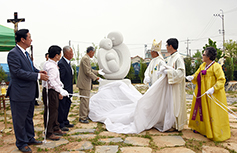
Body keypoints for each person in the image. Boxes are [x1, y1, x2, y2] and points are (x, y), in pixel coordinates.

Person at [7, 29, 48, 153]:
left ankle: (30, 138)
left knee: (28, 118)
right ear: (22, 39)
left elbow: (30, 68)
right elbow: (17, 72)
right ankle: (21, 142)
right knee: (19, 120)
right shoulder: (13, 53)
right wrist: (38, 77)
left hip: (29, 92)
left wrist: (38, 71)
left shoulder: (25, 53)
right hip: (19, 93)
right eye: (29, 37)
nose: (31, 39)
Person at [187, 47, 230, 141]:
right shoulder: (202, 65)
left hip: (212, 94)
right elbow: (196, 74)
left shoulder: (216, 67)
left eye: (204, 54)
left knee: (211, 111)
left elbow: (222, 80)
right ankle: (201, 129)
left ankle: (212, 131)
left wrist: (214, 88)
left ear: (209, 56)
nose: (202, 56)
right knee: (201, 109)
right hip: (202, 92)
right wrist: (192, 77)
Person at [42, 45, 69, 140]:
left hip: (53, 90)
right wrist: (59, 90)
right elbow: (51, 81)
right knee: (51, 112)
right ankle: (49, 132)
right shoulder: (51, 66)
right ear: (57, 55)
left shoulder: (52, 64)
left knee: (55, 110)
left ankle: (55, 127)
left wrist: (61, 87)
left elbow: (57, 80)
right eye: (60, 54)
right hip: (50, 91)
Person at [164, 38, 187, 131]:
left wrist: (169, 73)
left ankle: (177, 125)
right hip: (171, 85)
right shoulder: (171, 58)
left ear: (171, 46)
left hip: (177, 86)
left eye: (167, 45)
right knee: (171, 104)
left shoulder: (178, 58)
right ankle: (171, 124)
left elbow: (181, 73)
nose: (166, 48)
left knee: (176, 104)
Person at [76, 46, 101, 123]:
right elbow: (87, 71)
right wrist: (96, 78)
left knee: (85, 100)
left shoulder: (86, 58)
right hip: (84, 83)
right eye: (93, 53)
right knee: (84, 100)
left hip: (85, 83)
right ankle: (82, 117)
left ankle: (85, 115)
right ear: (90, 52)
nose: (93, 55)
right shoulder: (85, 58)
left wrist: (97, 72)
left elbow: (89, 70)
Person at [58, 46, 74, 131]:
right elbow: (61, 78)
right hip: (64, 90)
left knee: (67, 106)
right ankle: (61, 123)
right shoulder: (62, 63)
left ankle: (65, 120)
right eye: (71, 53)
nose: (72, 54)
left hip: (69, 89)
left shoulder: (68, 63)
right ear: (66, 53)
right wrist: (61, 90)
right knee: (62, 107)